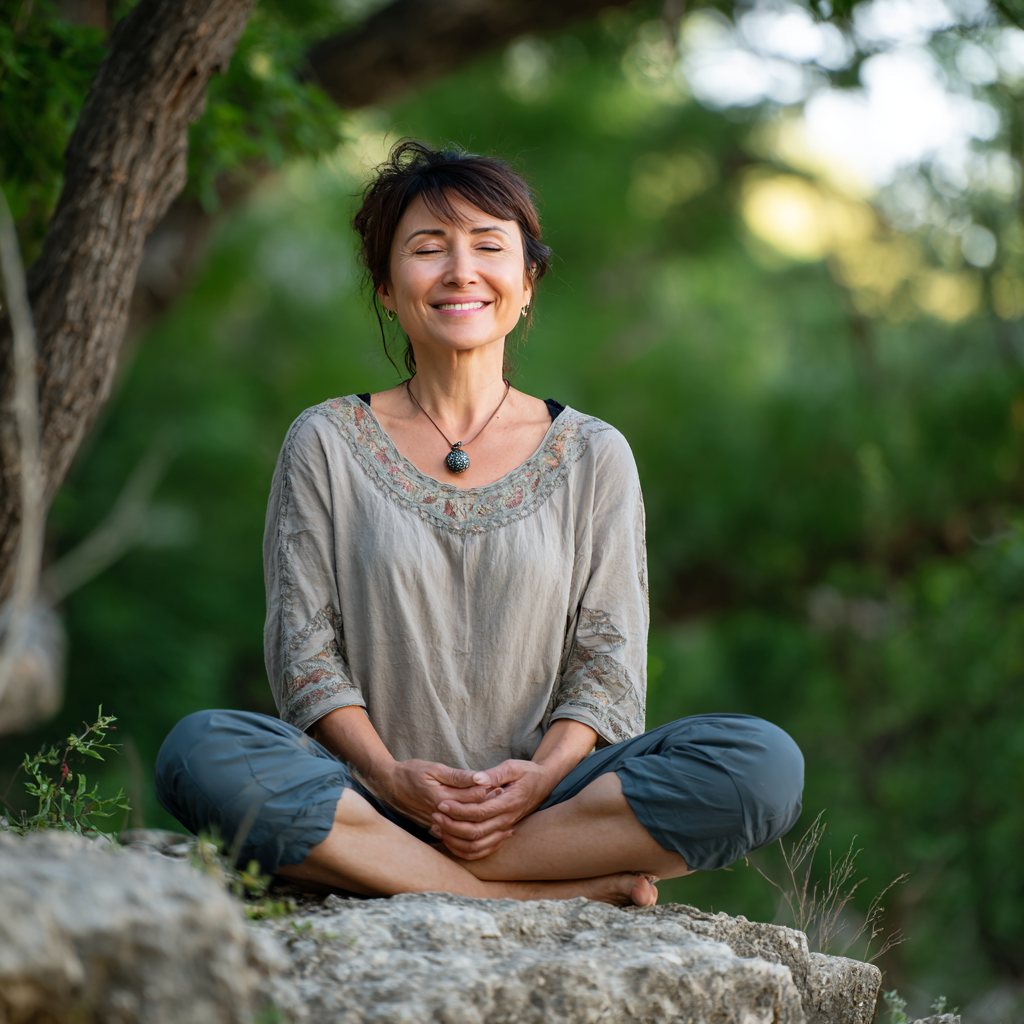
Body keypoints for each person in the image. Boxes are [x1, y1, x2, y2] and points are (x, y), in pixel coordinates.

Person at [155, 141, 804, 907]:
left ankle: (390, 870)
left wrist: (538, 780)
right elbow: (303, 648)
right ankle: (521, 895)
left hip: (549, 801)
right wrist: (391, 775)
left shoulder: (593, 454)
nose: (460, 270)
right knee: (199, 752)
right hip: (367, 793)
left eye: (489, 247)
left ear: (526, 283)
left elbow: (609, 659)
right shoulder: (327, 441)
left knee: (763, 765)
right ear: (388, 289)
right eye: (428, 249)